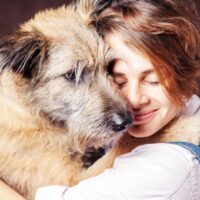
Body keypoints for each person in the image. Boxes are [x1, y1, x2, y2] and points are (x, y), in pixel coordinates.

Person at [1, 0, 200, 199]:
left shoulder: (171, 167)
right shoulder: (14, 135)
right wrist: (171, 131)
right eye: (74, 76)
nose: (130, 100)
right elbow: (72, 187)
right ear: (24, 73)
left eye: (106, 70)